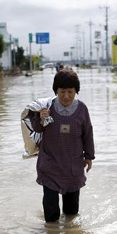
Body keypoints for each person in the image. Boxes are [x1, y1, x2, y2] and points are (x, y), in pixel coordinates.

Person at [32, 69, 95, 222]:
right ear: (56, 91)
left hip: (73, 166)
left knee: (71, 213)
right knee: (51, 215)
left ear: (76, 92)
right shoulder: (46, 107)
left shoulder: (82, 109)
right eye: (62, 92)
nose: (66, 96)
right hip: (50, 165)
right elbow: (36, 129)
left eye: (70, 92)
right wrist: (41, 119)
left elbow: (88, 132)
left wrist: (89, 156)